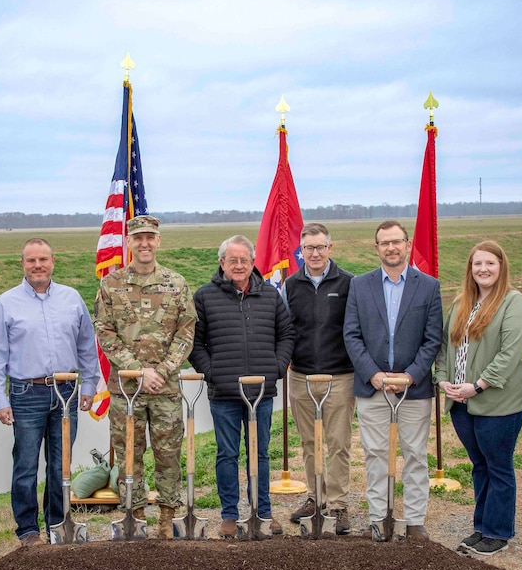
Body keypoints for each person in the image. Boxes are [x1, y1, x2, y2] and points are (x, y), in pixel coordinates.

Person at [0, 238, 101, 547]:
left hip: (67, 390)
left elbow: (87, 346)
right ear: (22, 264)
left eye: (43, 259)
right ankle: (27, 530)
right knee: (25, 464)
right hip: (26, 392)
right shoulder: (6, 303)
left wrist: (89, 384)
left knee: (61, 464)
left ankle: (57, 524)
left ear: (53, 261)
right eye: (31, 260)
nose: (38, 265)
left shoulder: (72, 298)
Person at [94, 215, 196, 539]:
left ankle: (167, 519)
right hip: (127, 390)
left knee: (168, 454)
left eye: (150, 237)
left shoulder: (176, 283)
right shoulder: (111, 285)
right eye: (138, 238)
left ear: (158, 241)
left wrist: (161, 371)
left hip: (164, 389)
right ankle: (136, 516)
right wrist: (139, 371)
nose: (144, 243)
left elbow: (186, 333)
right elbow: (105, 332)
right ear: (129, 242)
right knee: (129, 454)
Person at [189, 235, 295, 538]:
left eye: (244, 260)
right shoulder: (205, 296)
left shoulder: (270, 296)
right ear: (222, 263)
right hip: (224, 393)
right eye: (232, 260)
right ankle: (229, 515)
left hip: (261, 392)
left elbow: (286, 334)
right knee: (227, 454)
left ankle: (262, 512)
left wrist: (276, 368)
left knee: (260, 453)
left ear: (252, 262)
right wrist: (212, 372)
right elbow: (195, 343)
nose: (238, 265)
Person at [344, 220, 443, 540]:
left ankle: (414, 520)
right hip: (372, 388)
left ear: (407, 244)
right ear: (377, 248)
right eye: (384, 242)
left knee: (415, 454)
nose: (391, 247)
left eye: (397, 241)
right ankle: (379, 518)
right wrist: (372, 374)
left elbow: (433, 339)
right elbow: (352, 335)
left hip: (414, 390)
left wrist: (412, 375)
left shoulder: (428, 286)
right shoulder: (360, 285)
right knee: (375, 454)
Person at [435, 241, 522, 556]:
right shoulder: (463, 301)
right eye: (478, 264)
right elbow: (445, 348)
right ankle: (481, 526)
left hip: (497, 403)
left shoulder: (512, 302)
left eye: (490, 263)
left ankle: (498, 531)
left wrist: (477, 386)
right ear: (470, 269)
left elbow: (509, 354)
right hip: (461, 403)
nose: (483, 269)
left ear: (501, 266)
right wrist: (443, 380)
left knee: (498, 465)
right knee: (479, 464)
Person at [280, 223, 356, 534]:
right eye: (308, 248)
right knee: (310, 442)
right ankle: (315, 497)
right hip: (301, 376)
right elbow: (284, 329)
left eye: (320, 247)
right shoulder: (290, 285)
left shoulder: (350, 283)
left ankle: (337, 505)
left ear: (330, 248)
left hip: (339, 376)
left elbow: (355, 329)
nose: (314, 253)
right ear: (301, 250)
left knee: (338, 444)